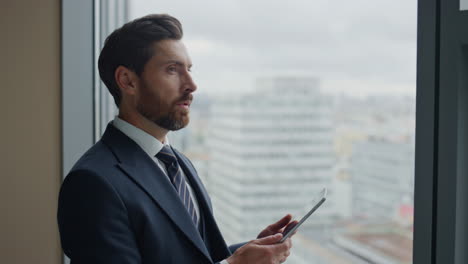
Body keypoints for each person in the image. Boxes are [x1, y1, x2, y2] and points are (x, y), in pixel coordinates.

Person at [57, 14, 297, 264]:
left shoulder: (178, 162)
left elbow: (192, 255)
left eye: (189, 70)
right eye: (172, 70)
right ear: (127, 81)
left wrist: (247, 252)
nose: (192, 85)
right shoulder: (92, 183)